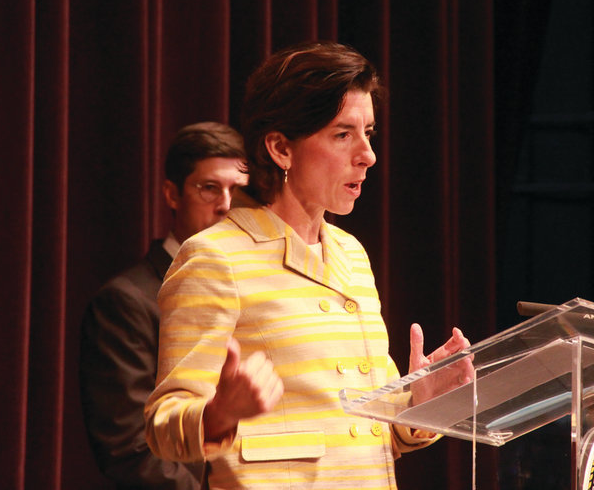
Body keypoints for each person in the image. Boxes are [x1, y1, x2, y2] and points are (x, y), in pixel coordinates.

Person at [144, 41, 473, 489]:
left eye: (369, 133)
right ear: (281, 148)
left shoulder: (351, 254)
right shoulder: (215, 257)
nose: (367, 155)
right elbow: (163, 425)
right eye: (343, 135)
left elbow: (361, 430)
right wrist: (219, 412)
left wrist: (420, 401)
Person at [80, 121, 249, 489]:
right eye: (209, 188)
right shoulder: (126, 301)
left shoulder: (256, 288)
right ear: (172, 195)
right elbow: (129, 449)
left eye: (237, 190)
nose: (226, 205)